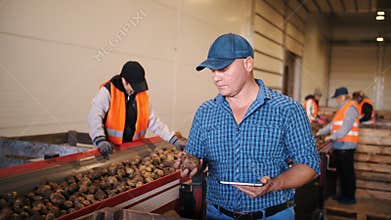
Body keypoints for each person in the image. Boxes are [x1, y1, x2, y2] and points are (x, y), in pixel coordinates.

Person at [175, 33, 320, 220]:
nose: (216, 78)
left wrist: (275, 184)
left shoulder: (287, 110)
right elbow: (196, 158)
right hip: (218, 215)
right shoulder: (206, 112)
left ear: (248, 64)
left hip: (272, 215)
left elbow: (310, 164)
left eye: (223, 69)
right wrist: (192, 163)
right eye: (212, 71)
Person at [87, 61, 185, 156]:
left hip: (133, 150)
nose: (135, 90)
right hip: (110, 150)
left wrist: (173, 139)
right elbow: (95, 116)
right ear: (124, 80)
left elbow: (154, 122)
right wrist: (99, 139)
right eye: (134, 86)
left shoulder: (141, 95)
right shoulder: (108, 92)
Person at [316, 87, 359, 205]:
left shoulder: (350, 108)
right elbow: (332, 125)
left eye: (337, 98)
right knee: (341, 173)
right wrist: (321, 132)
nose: (337, 101)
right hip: (340, 146)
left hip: (347, 146)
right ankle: (343, 195)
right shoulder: (342, 109)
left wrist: (332, 137)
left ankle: (350, 197)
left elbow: (346, 128)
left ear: (342, 97)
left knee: (347, 173)